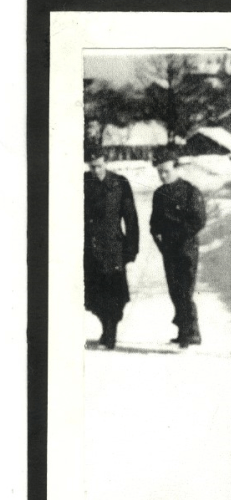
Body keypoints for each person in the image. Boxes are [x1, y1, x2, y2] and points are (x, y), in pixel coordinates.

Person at [84, 148, 139, 349]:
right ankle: (106, 327)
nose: (96, 170)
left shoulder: (119, 183)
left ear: (105, 162)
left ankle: (110, 331)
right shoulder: (83, 183)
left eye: (99, 166)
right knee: (94, 295)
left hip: (113, 247)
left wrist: (132, 247)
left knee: (115, 292)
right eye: (92, 167)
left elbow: (130, 218)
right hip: (89, 248)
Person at [150, 148, 206, 347]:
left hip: (186, 249)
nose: (163, 175)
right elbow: (154, 224)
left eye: (166, 170)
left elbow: (199, 220)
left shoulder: (190, 191)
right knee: (175, 290)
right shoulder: (159, 194)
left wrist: (179, 236)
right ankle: (184, 331)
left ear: (175, 168)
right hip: (169, 250)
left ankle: (193, 332)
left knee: (185, 290)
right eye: (159, 172)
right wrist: (161, 243)